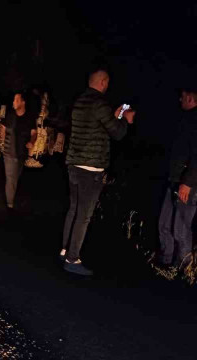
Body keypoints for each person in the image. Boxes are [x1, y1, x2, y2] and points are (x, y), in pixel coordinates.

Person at [60, 69, 135, 276]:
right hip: (90, 168)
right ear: (102, 82)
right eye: (107, 83)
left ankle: (65, 250)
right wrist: (125, 119)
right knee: (83, 216)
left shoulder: (80, 101)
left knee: (73, 210)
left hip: (74, 164)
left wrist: (115, 114)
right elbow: (117, 132)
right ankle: (72, 259)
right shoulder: (100, 103)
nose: (107, 86)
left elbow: (97, 124)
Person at [157, 88, 197, 270]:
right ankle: (167, 262)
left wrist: (188, 183)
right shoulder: (184, 120)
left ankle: (184, 266)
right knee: (164, 224)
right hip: (174, 179)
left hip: (188, 184)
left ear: (190, 98)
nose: (179, 99)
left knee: (181, 229)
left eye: (182, 97)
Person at [0, 91, 33, 210]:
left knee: (15, 177)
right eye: (14, 100)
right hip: (9, 153)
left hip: (21, 153)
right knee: (11, 178)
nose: (14, 102)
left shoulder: (28, 118)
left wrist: (32, 142)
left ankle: (11, 200)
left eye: (17, 100)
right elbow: (3, 128)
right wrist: (2, 137)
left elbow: (33, 132)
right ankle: (10, 205)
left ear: (23, 102)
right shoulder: (10, 116)